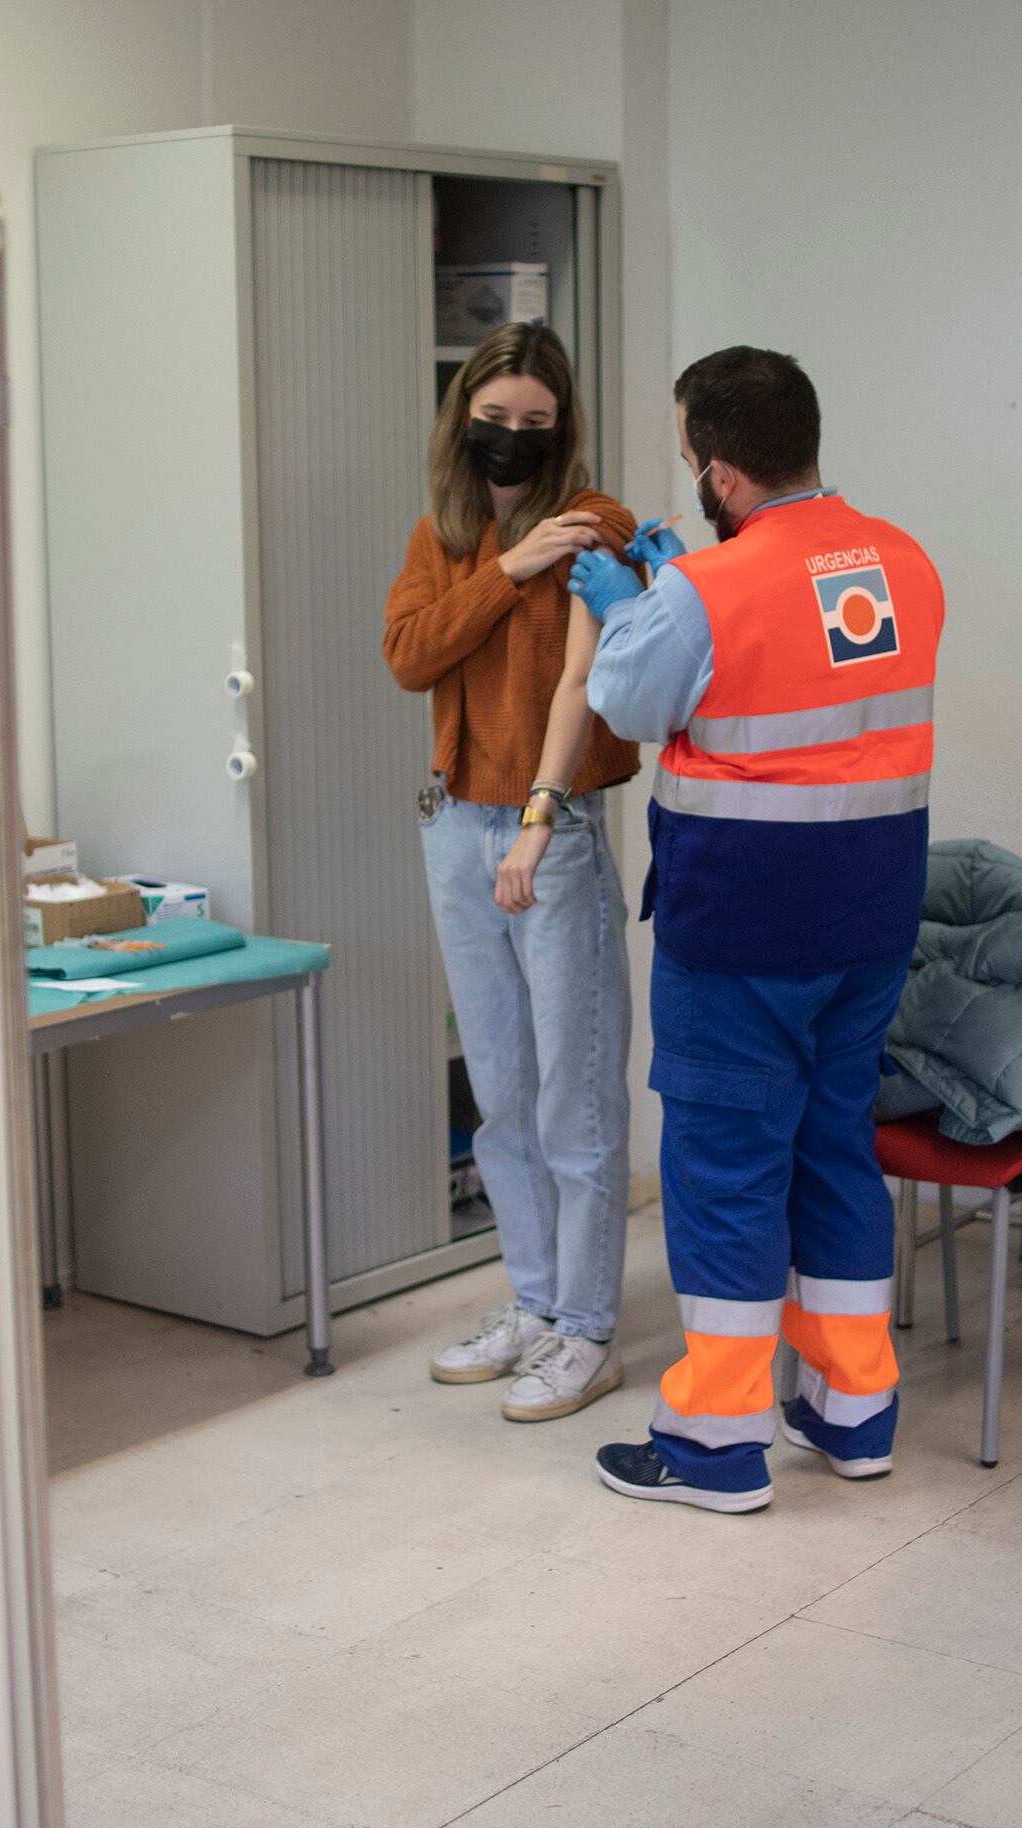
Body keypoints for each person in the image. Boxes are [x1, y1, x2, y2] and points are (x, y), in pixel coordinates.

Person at [566, 346, 943, 1512]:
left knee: (726, 1169)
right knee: (834, 1149)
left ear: (721, 472)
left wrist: (638, 614)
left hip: (743, 928)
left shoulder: (705, 592)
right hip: (870, 918)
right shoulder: (904, 563)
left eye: (690, 461)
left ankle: (715, 1444)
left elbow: (625, 705)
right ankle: (853, 1410)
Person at [382, 322, 639, 1423]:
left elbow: (587, 684)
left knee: (572, 1097)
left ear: (562, 426)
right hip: (454, 825)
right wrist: (506, 567)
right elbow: (410, 657)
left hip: (556, 828)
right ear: (465, 420)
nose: (515, 440)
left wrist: (537, 822)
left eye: (536, 424)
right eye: (497, 422)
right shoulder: (440, 535)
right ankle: (533, 1305)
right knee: (500, 1096)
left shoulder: (599, 523)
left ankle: (585, 1330)